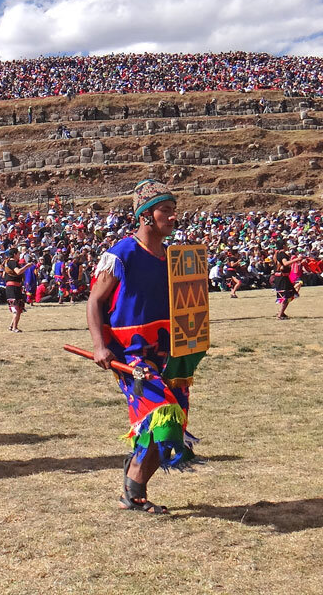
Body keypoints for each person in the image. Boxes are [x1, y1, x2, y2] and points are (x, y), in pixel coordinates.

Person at [85, 180, 195, 515]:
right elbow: (95, 301)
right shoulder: (121, 253)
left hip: (170, 355)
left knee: (169, 428)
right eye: (166, 210)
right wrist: (100, 346)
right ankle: (132, 491)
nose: (173, 217)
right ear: (146, 216)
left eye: (174, 210)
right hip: (132, 357)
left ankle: (134, 493)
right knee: (162, 418)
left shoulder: (175, 257)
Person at [3, 248, 31, 333]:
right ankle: (15, 328)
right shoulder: (12, 262)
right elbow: (18, 272)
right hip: (13, 288)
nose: (19, 255)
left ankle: (12, 326)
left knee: (17, 308)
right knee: (16, 309)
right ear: (14, 254)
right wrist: (26, 266)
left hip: (14, 287)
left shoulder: (7, 262)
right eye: (18, 253)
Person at [272, 241, 300, 320]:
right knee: (286, 295)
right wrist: (297, 259)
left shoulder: (276, 254)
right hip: (282, 278)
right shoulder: (282, 254)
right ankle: (280, 314)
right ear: (283, 246)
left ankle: (281, 312)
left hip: (280, 277)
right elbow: (285, 263)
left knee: (287, 295)